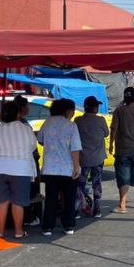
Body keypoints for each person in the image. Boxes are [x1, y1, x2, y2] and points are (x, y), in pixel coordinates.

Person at [0, 101, 37, 239]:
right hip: (20, 168)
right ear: (18, 113)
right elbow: (32, 146)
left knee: (1, 202)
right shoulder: (26, 129)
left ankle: (0, 231)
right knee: (17, 202)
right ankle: (18, 231)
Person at [37, 99, 83, 236]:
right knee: (68, 198)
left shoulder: (47, 123)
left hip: (50, 169)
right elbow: (75, 149)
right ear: (67, 110)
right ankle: (68, 225)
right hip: (67, 169)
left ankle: (47, 227)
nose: (73, 112)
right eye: (72, 110)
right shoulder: (71, 126)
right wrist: (76, 167)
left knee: (51, 198)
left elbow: (40, 140)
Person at [74, 96, 109, 218]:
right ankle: (97, 210)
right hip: (98, 158)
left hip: (83, 159)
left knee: (80, 185)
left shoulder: (78, 121)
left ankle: (76, 210)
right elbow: (106, 134)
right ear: (94, 108)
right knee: (97, 184)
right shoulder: (101, 120)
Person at [15, 95, 43, 227]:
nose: (28, 108)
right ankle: (28, 217)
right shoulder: (21, 123)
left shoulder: (17, 122)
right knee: (29, 190)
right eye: (27, 106)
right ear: (22, 107)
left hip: (19, 161)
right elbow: (30, 143)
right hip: (27, 160)